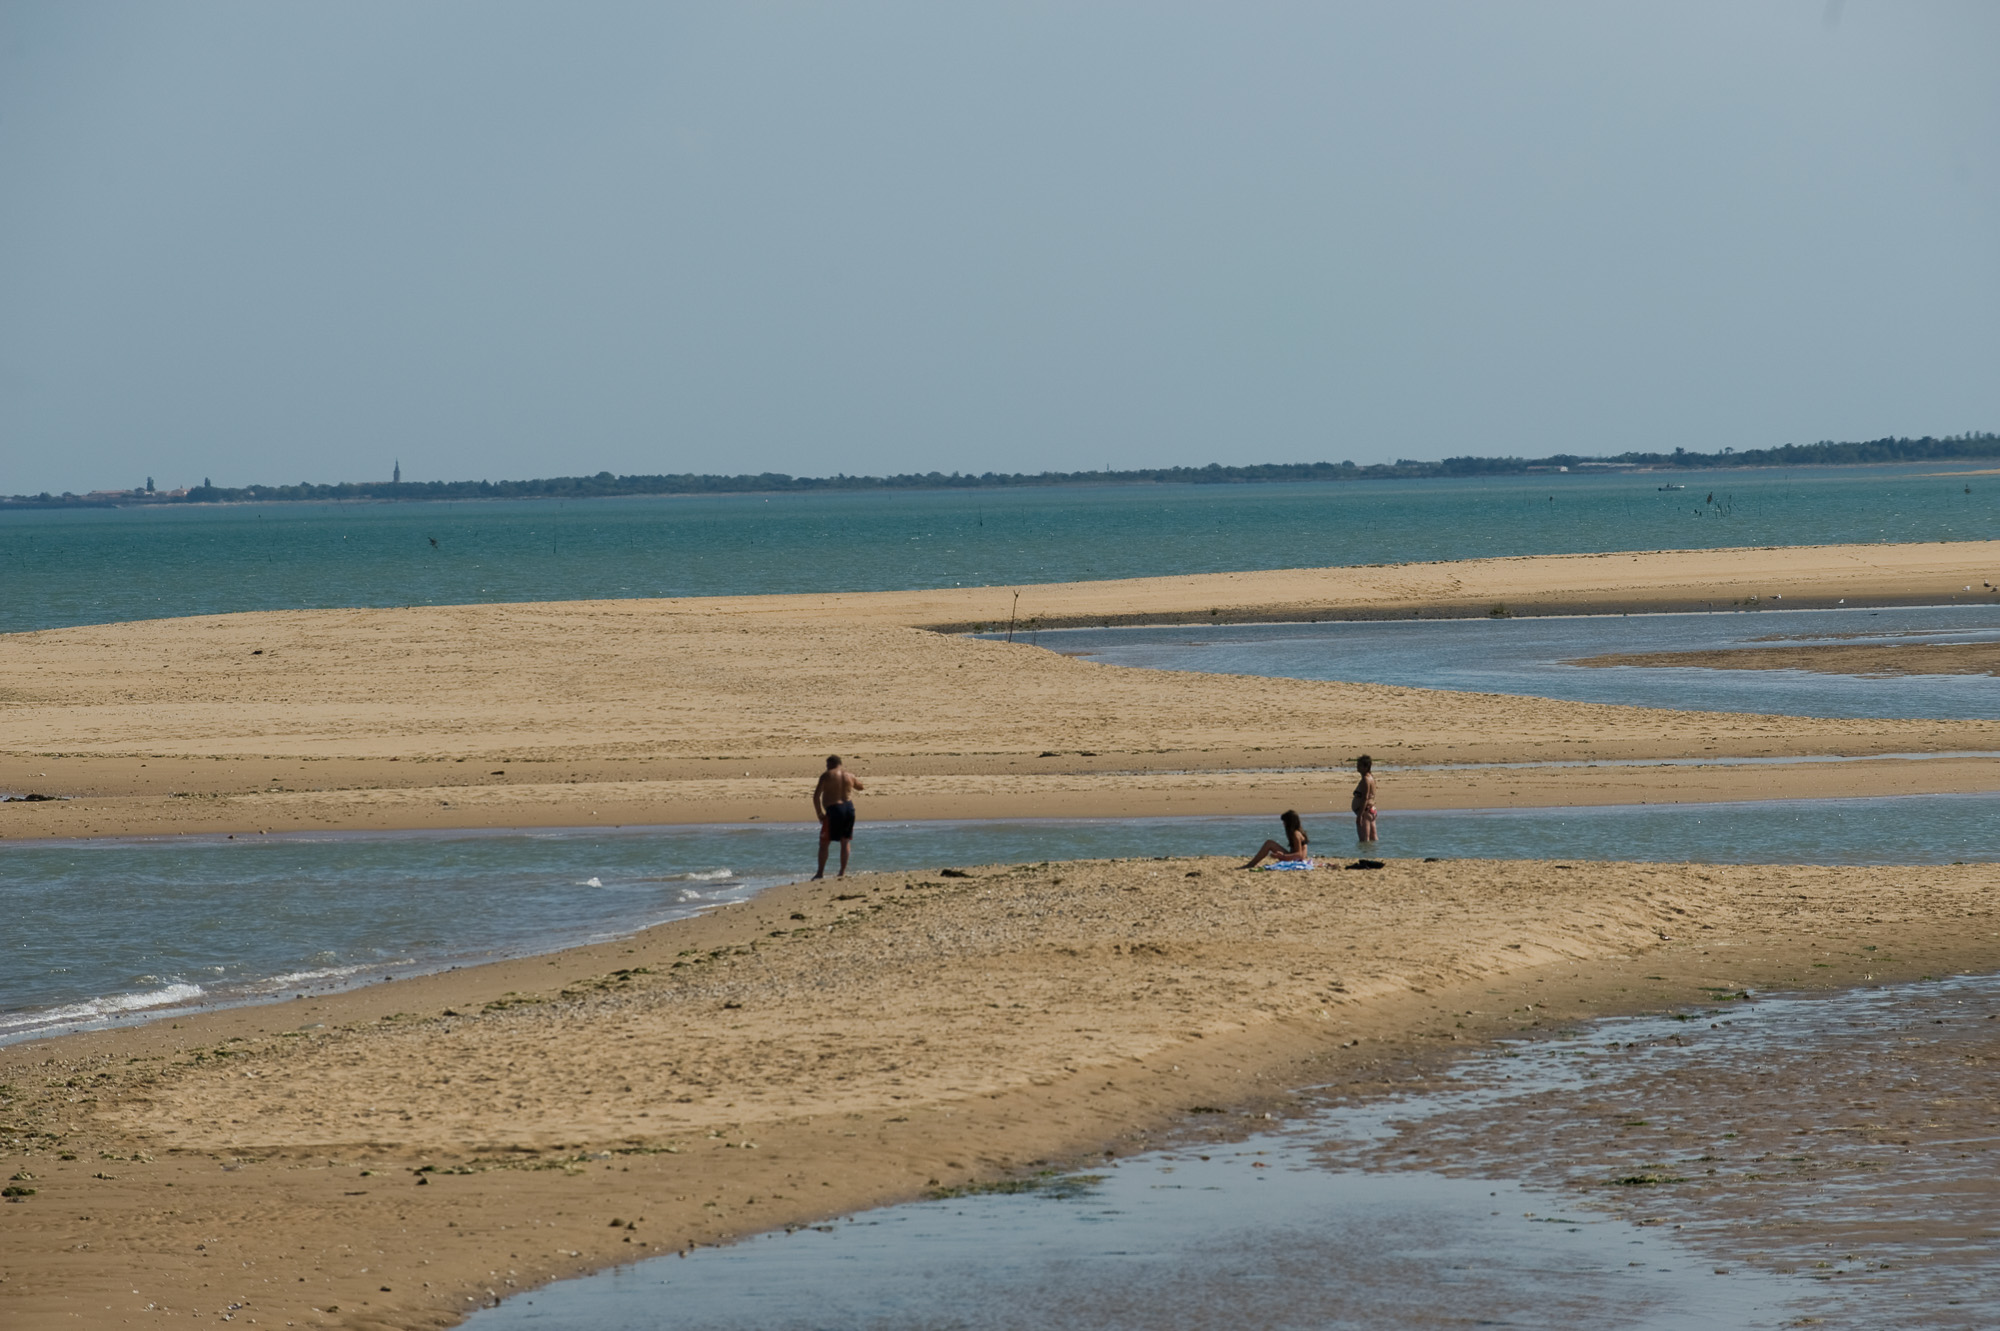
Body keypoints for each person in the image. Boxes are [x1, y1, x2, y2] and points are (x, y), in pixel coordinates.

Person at [812, 754, 866, 880]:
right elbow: (861, 787)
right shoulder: (849, 775)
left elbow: (816, 796)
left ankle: (820, 873)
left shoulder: (827, 775)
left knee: (824, 842)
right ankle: (842, 872)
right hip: (849, 808)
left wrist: (819, 813)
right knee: (845, 841)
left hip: (834, 809)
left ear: (830, 764)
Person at [1242, 809, 1310, 869]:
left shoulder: (1296, 834)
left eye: (1284, 822)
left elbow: (1299, 855)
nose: (1283, 824)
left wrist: (1283, 856)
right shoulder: (1296, 832)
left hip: (1297, 860)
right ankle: (1252, 863)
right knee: (1269, 843)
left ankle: (1251, 864)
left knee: (1269, 844)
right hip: (1294, 858)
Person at [1352, 755, 1378, 843]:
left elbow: (1365, 798)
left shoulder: (1366, 780)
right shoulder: (1371, 777)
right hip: (1372, 810)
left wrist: (1360, 816)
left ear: (1366, 767)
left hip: (1365, 812)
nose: (1357, 767)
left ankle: (1364, 856)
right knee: (1373, 839)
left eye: (1359, 765)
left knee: (1364, 841)